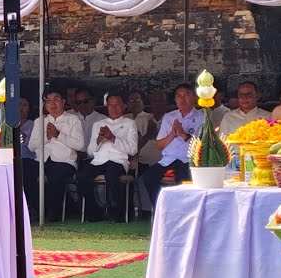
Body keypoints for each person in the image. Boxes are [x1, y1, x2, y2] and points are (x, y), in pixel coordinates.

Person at [139, 84, 203, 215]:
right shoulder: (169, 117)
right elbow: (160, 145)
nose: (182, 99)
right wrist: (172, 134)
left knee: (183, 179)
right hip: (168, 159)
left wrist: (183, 134)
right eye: (179, 96)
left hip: (189, 159)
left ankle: (185, 213)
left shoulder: (202, 118)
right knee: (148, 177)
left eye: (186, 95)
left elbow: (202, 147)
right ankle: (162, 211)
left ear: (194, 98)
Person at [77, 92, 139, 222]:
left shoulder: (130, 123)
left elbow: (133, 150)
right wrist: (99, 140)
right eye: (111, 105)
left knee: (112, 174)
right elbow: (90, 152)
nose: (114, 108)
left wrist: (113, 138)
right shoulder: (99, 124)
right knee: (82, 176)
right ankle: (95, 211)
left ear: (124, 106)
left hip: (118, 160)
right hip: (99, 160)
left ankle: (120, 212)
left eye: (117, 104)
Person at [26, 89, 85, 221]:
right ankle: (35, 209)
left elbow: (80, 145)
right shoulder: (39, 121)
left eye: (56, 99)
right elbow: (31, 146)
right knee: (25, 170)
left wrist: (58, 135)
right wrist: (47, 138)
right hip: (42, 160)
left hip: (64, 161)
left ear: (63, 101)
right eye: (48, 101)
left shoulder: (73, 119)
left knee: (55, 173)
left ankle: (54, 212)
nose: (52, 104)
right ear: (45, 104)